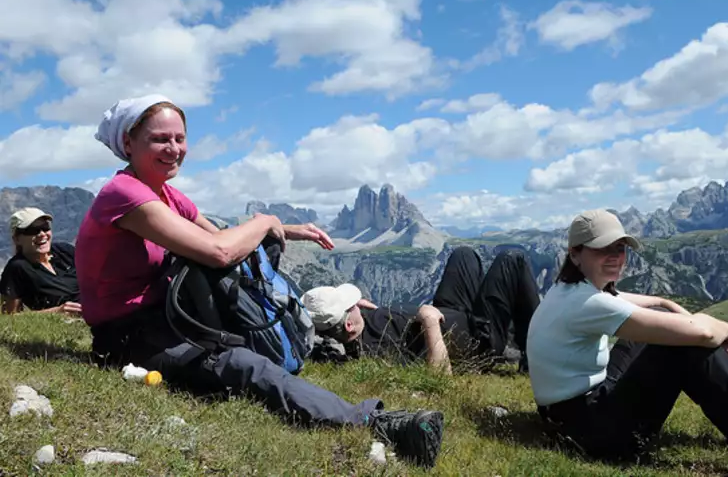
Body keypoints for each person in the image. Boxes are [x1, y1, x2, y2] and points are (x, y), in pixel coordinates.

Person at [75, 94, 444, 468]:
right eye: (160, 139)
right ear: (127, 143)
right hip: (128, 334)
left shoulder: (167, 194)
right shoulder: (123, 194)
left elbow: (221, 235)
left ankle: (296, 347)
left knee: (255, 270)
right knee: (242, 365)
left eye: (179, 138)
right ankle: (374, 421)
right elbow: (218, 251)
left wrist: (285, 231)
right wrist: (265, 219)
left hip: (169, 314)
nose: (174, 149)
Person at [526, 208, 728, 467]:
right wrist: (726, 330)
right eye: (602, 249)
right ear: (575, 254)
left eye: (619, 248)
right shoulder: (587, 303)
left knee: (663, 320)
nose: (615, 257)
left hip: (568, 414)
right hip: (591, 432)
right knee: (682, 344)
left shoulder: (567, 288)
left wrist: (666, 303)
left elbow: (630, 302)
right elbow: (704, 332)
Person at [301, 246, 541, 374]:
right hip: (479, 339)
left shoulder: (353, 330)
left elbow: (377, 328)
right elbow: (439, 375)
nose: (356, 303)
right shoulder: (376, 355)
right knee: (512, 259)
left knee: (463, 254)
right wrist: (430, 322)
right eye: (350, 305)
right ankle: (536, 359)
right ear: (348, 324)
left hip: (449, 311)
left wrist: (373, 311)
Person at [0, 208, 81, 315]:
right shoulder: (16, 268)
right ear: (17, 239)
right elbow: (10, 316)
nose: (42, 234)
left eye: (45, 227)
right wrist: (57, 311)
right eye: (32, 230)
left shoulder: (65, 251)